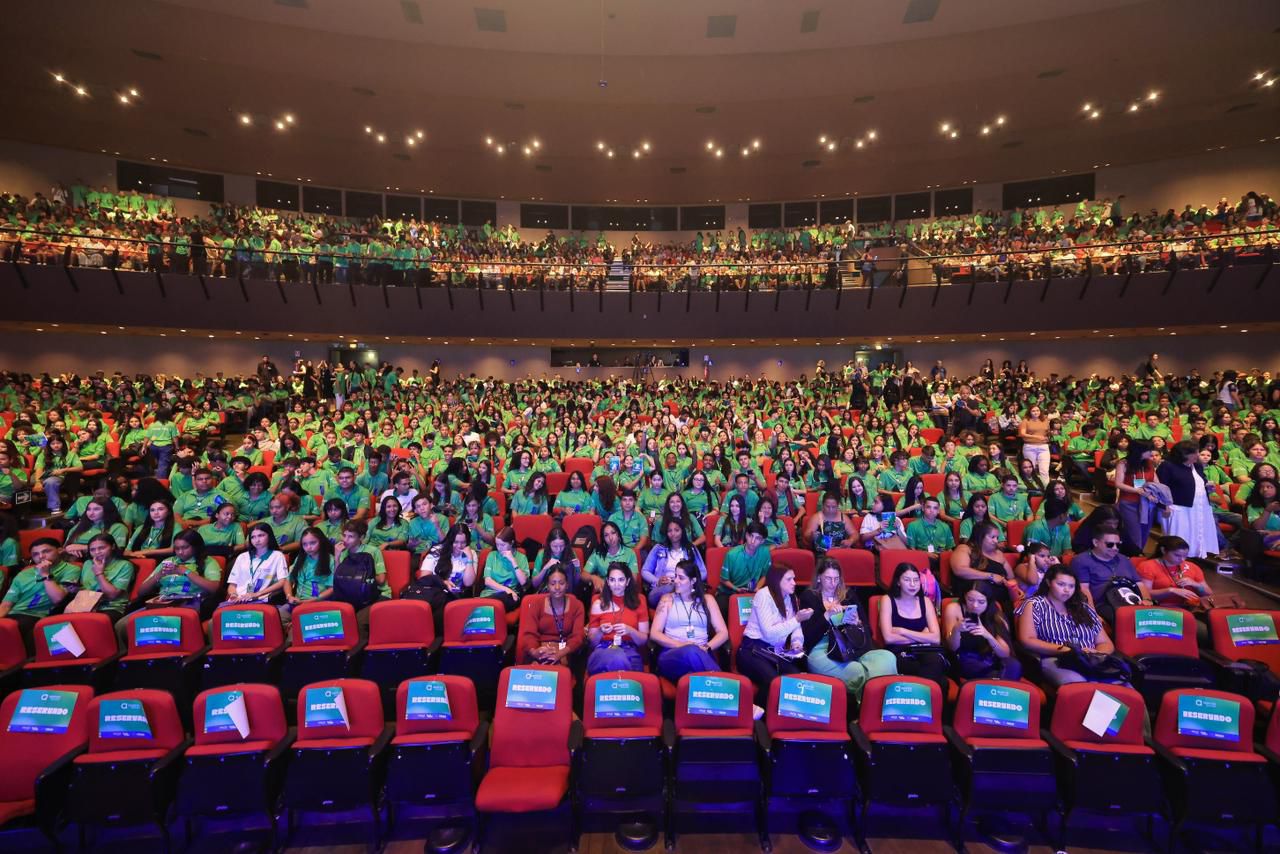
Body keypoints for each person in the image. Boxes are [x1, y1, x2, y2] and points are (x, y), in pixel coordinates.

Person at [799, 558, 897, 700]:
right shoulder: (809, 597)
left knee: (887, 658)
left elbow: (868, 631)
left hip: (851, 645)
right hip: (823, 649)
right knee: (856, 671)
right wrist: (827, 616)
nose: (833, 583)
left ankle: (868, 704)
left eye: (836, 579)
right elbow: (807, 636)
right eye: (828, 578)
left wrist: (857, 623)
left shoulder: (848, 595)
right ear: (819, 578)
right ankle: (871, 705)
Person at [1017, 564, 1125, 686]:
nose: (1067, 590)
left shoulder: (1083, 607)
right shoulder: (1035, 604)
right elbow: (1027, 640)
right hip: (1058, 659)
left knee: (1121, 684)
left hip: (1091, 660)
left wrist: (1094, 653)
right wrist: (1068, 651)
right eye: (1061, 584)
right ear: (1048, 582)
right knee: (1081, 685)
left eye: (1071, 586)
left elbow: (1105, 642)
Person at [737, 565, 815, 700]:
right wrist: (797, 619)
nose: (794, 583)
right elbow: (769, 633)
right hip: (752, 649)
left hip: (775, 651)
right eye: (789, 579)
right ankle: (760, 714)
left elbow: (796, 628)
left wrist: (797, 642)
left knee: (796, 678)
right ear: (777, 580)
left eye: (794, 579)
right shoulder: (763, 595)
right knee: (773, 681)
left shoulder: (791, 597)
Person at [649, 559, 728, 683]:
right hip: (671, 654)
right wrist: (683, 645)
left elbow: (723, 632)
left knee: (692, 675)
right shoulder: (667, 600)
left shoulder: (708, 600)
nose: (676, 581)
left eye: (681, 578)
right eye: (675, 576)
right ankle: (724, 689)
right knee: (691, 651)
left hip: (702, 653)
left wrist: (706, 648)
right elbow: (654, 633)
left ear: (693, 581)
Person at [0, 537, 82, 654]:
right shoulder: (24, 574)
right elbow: (6, 605)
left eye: (46, 551)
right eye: (35, 554)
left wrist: (45, 575)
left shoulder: (71, 570)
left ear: (59, 550)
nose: (41, 556)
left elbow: (57, 598)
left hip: (42, 615)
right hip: (16, 614)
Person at [877, 562, 948, 695]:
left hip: (924, 650)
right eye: (907, 580)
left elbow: (936, 638)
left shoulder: (925, 601)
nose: (912, 584)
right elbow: (888, 638)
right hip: (899, 652)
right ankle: (922, 704)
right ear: (898, 582)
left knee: (936, 661)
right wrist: (922, 635)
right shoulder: (887, 600)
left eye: (916, 580)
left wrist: (904, 631)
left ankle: (920, 705)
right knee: (942, 682)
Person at [942, 581, 1021, 681]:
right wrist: (956, 629)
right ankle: (996, 684)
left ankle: (996, 684)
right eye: (970, 599)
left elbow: (1004, 654)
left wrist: (988, 636)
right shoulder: (954, 608)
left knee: (1014, 665)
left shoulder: (995, 614)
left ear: (988, 601)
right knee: (977, 667)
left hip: (990, 659)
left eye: (981, 602)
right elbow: (952, 647)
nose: (975, 605)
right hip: (965, 658)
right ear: (964, 596)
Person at [1157, 440, 1218, 559]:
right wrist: (1164, 505)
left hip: (1200, 506)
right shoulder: (1168, 466)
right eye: (1195, 453)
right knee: (1180, 534)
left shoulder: (1197, 466)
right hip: (1178, 507)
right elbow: (1160, 487)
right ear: (1184, 454)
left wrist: (1208, 487)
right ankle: (1176, 558)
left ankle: (1195, 555)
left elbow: (1202, 482)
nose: (1198, 455)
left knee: (1198, 532)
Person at [1070, 521, 1153, 608]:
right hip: (1104, 606)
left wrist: (1147, 601)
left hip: (1133, 602)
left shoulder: (1124, 559)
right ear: (1095, 542)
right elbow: (1083, 590)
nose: (1115, 548)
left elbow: (1139, 583)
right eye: (1110, 544)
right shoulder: (1081, 560)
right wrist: (1093, 614)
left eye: (1118, 545)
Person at [586, 563, 650, 674]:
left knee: (629, 667)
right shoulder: (598, 603)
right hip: (603, 650)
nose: (616, 585)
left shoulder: (639, 601)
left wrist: (630, 631)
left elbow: (643, 641)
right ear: (607, 582)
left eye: (621, 580)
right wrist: (600, 631)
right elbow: (592, 642)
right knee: (618, 659)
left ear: (628, 582)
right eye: (612, 580)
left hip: (630, 650)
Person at [517, 564, 585, 667]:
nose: (557, 587)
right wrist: (535, 652)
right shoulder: (536, 604)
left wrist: (560, 654)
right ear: (547, 586)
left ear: (567, 585)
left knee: (558, 670)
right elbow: (528, 635)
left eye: (561, 583)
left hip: (565, 651)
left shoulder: (577, 605)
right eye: (553, 584)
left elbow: (578, 637)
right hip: (541, 650)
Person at [640, 518, 706, 608]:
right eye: (669, 531)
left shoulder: (691, 549)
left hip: (686, 588)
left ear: (682, 531)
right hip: (663, 589)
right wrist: (657, 580)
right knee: (670, 588)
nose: (673, 534)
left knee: (682, 589)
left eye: (676, 530)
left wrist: (688, 582)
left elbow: (703, 572)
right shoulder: (658, 548)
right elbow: (645, 571)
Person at [1113, 439, 1161, 555]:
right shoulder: (1123, 463)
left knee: (1145, 530)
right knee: (1134, 531)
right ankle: (1135, 554)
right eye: (1148, 450)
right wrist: (1137, 490)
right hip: (1129, 502)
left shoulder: (1149, 463)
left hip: (1147, 503)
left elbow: (1156, 481)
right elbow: (1118, 483)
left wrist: (1155, 493)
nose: (1151, 453)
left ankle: (1139, 552)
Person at [224, 522, 290, 606]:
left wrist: (257, 594)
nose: (257, 540)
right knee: (217, 617)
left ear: (269, 536)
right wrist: (233, 595)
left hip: (261, 600)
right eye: (253, 537)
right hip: (238, 600)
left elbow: (282, 582)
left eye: (261, 535)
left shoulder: (277, 556)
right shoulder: (242, 557)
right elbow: (232, 584)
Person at [716, 521, 771, 619]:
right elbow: (723, 580)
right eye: (751, 536)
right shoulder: (732, 554)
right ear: (746, 535)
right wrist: (737, 589)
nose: (753, 541)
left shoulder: (765, 552)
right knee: (722, 610)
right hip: (730, 592)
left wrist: (757, 588)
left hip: (753, 591)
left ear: (762, 541)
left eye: (758, 538)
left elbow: (766, 575)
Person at [76, 533, 136, 623]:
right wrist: (74, 589)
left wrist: (99, 573)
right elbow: (84, 588)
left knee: (91, 623)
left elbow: (112, 595)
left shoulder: (125, 565)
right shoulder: (88, 564)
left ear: (112, 546)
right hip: (85, 606)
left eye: (101, 548)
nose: (97, 552)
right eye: (92, 550)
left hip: (111, 607)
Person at [284, 527, 336, 623]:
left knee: (299, 625)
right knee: (275, 618)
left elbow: (332, 589)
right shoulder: (301, 557)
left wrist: (307, 602)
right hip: (296, 602)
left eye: (312, 543)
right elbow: (288, 581)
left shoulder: (330, 560)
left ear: (321, 542)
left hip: (318, 603)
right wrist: (289, 596)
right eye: (305, 544)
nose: (308, 547)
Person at [479, 525, 528, 612]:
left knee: (500, 600)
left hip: (510, 597)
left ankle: (482, 606)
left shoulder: (521, 557)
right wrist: (507, 589)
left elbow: (523, 582)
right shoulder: (492, 555)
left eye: (502, 545)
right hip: (490, 594)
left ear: (512, 542)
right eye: (497, 544)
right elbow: (488, 581)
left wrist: (513, 561)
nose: (499, 548)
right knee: (491, 603)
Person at [1018, 404, 1052, 484]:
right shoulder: (1026, 420)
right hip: (1030, 446)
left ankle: (1046, 488)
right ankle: (1030, 487)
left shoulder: (1045, 420)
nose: (1036, 412)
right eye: (1033, 411)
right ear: (1030, 412)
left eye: (1037, 410)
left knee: (1044, 470)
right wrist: (1037, 437)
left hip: (1043, 447)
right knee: (1029, 469)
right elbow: (1022, 434)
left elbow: (1047, 432)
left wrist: (1050, 435)